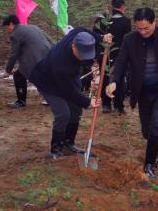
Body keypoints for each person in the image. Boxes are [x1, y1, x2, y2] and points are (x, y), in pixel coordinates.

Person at [106, 7, 158, 180]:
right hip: (142, 91)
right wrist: (113, 81)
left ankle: (149, 164)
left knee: (157, 124)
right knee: (147, 132)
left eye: (146, 28)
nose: (142, 32)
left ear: (154, 22)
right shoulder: (130, 40)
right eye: (139, 28)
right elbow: (120, 62)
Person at [28, 28, 108, 159]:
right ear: (73, 47)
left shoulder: (77, 35)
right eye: (82, 55)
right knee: (63, 113)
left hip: (69, 77)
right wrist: (88, 102)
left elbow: (82, 29)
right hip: (48, 81)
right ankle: (56, 148)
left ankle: (68, 143)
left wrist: (101, 37)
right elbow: (68, 92)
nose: (84, 58)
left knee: (76, 109)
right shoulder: (60, 62)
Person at [1, 15, 53, 108]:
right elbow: (49, 40)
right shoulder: (33, 27)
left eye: (7, 27)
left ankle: (21, 101)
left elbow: (14, 54)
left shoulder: (15, 34)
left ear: (11, 24)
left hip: (35, 60)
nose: (7, 30)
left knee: (19, 76)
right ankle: (51, 98)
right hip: (48, 56)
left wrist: (7, 71)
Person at [93, 0, 132, 114]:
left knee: (104, 78)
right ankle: (118, 106)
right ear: (122, 7)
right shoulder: (125, 21)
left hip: (103, 54)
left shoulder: (101, 20)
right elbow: (128, 40)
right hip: (119, 55)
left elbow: (95, 36)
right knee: (118, 78)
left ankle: (106, 104)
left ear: (111, 6)